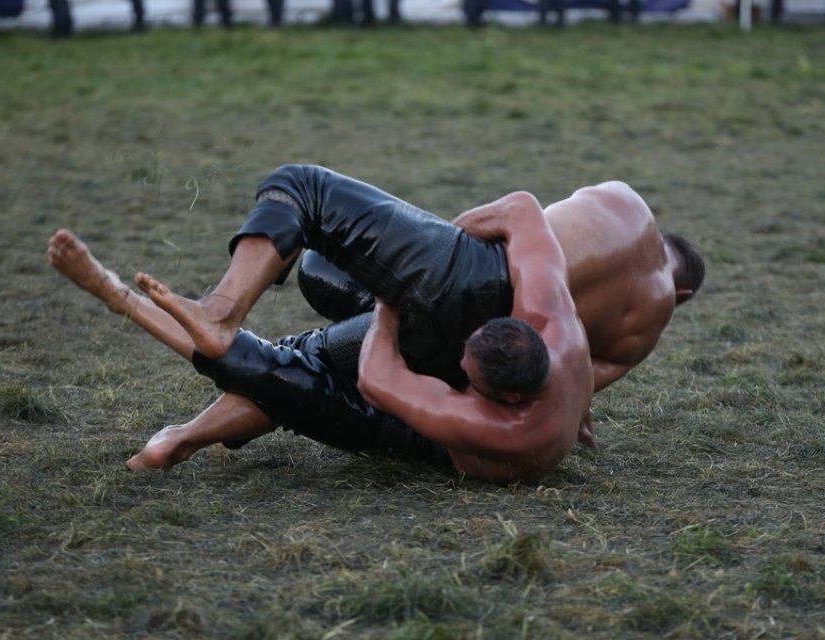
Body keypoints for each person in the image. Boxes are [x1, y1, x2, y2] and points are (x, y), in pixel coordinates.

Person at [49, 164, 704, 481]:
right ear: (681, 293)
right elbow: (575, 386)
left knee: (299, 187)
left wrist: (419, 263)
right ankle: (177, 441)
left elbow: (520, 210)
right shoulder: (646, 327)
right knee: (303, 362)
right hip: (483, 352)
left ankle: (215, 313)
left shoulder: (620, 203)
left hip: (479, 282)